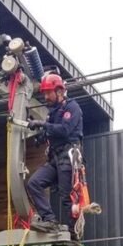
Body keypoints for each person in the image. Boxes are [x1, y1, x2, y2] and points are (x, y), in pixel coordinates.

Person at [26, 72, 84, 237]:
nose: (45, 96)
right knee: (34, 183)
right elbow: (50, 133)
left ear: (59, 91)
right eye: (44, 93)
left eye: (48, 92)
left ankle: (73, 233)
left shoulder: (72, 107)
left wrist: (44, 125)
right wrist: (40, 135)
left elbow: (65, 130)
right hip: (55, 159)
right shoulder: (53, 113)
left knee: (67, 197)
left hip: (68, 158)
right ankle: (49, 220)